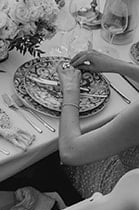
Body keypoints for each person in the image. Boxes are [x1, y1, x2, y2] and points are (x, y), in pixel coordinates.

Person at [59, 51, 139, 199]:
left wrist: (70, 89)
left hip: (122, 196)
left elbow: (69, 152)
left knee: (49, 154)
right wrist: (117, 65)